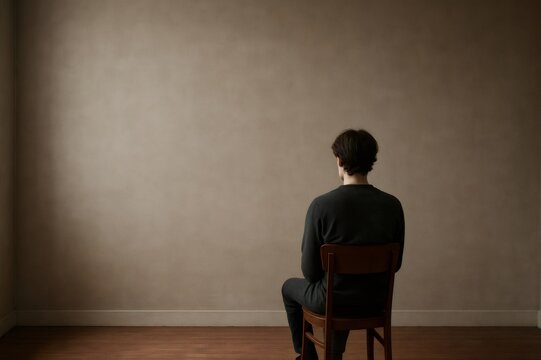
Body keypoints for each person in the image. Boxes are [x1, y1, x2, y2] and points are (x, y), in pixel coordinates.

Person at [281, 129, 405, 360]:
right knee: (342, 288)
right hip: (374, 302)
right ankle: (334, 353)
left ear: (339, 159)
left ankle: (306, 356)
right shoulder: (393, 205)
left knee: (290, 287)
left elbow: (309, 271)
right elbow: (395, 265)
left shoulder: (322, 206)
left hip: (333, 302)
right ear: (372, 161)